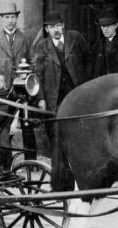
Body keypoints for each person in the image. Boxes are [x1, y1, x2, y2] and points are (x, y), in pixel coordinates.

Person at [33, 11, 91, 141]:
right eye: (52, 27)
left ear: (63, 25)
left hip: (77, 92)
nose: (56, 30)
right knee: (56, 132)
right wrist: (41, 99)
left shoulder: (75, 37)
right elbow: (38, 75)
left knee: (80, 128)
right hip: (54, 97)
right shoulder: (42, 46)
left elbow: (88, 59)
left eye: (58, 26)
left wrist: (87, 84)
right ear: (47, 29)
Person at [0, 2, 31, 89]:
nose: (10, 20)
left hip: (22, 84)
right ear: (2, 19)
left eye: (13, 17)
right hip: (2, 86)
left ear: (17, 18)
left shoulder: (26, 38)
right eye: (7, 17)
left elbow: (32, 62)